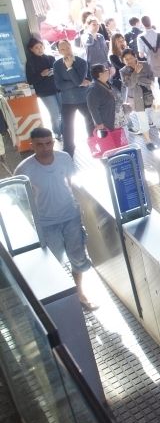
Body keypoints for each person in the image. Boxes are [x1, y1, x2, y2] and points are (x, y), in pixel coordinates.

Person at [14, 127, 96, 310]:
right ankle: (63, 300)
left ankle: (79, 293)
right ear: (32, 145)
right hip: (46, 223)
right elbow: (20, 199)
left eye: (49, 143)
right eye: (40, 145)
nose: (46, 148)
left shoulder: (64, 158)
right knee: (54, 261)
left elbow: (73, 183)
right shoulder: (24, 169)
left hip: (71, 217)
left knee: (78, 258)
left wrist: (82, 209)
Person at [120, 49, 160, 150]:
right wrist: (136, 73)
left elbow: (151, 80)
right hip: (136, 100)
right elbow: (129, 84)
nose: (129, 61)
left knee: (157, 118)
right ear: (123, 60)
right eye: (126, 59)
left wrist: (138, 80)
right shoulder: (123, 71)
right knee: (143, 121)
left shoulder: (145, 64)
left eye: (130, 58)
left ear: (135, 56)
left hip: (151, 97)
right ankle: (148, 141)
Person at [53, 40, 93, 158]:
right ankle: (68, 150)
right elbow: (59, 85)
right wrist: (78, 83)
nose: (66, 51)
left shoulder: (81, 62)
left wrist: (70, 68)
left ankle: (93, 143)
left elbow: (78, 80)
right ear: (59, 51)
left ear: (71, 46)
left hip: (83, 98)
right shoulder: (57, 65)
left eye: (68, 47)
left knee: (90, 122)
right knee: (67, 126)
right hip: (67, 101)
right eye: (63, 49)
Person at [25, 38, 61, 139]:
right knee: (54, 113)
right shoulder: (30, 62)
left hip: (58, 88)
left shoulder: (50, 58)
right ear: (31, 49)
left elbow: (59, 72)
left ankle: (64, 131)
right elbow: (30, 80)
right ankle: (57, 132)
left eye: (41, 46)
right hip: (45, 92)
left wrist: (55, 72)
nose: (39, 49)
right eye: (36, 48)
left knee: (63, 111)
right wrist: (41, 74)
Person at [86, 64, 126, 137]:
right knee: (112, 141)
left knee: (120, 139)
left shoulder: (107, 83)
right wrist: (99, 123)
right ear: (100, 74)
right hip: (108, 122)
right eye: (106, 70)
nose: (108, 71)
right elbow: (93, 108)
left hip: (117, 119)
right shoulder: (93, 89)